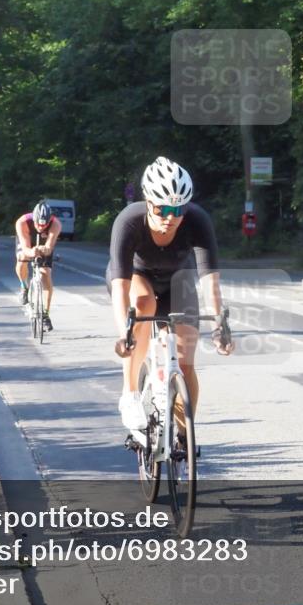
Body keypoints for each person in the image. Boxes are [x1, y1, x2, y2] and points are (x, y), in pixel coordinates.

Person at [107, 156, 233, 437]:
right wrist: (124, 333)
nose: (170, 217)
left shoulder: (197, 221)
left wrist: (219, 327)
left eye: (178, 209)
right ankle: (129, 394)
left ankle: (182, 437)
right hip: (137, 277)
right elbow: (120, 286)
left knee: (185, 361)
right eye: (162, 208)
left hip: (178, 280)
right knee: (144, 303)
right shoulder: (128, 222)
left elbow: (210, 282)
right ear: (148, 201)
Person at [14, 201, 61, 330]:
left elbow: (49, 246)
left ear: (50, 219)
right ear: (33, 219)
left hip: (44, 243)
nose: (40, 227)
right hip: (28, 241)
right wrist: (31, 252)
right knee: (22, 258)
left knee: (45, 273)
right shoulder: (22, 222)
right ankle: (24, 286)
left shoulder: (55, 224)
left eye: (44, 224)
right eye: (38, 224)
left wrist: (45, 249)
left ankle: (45, 314)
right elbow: (25, 247)